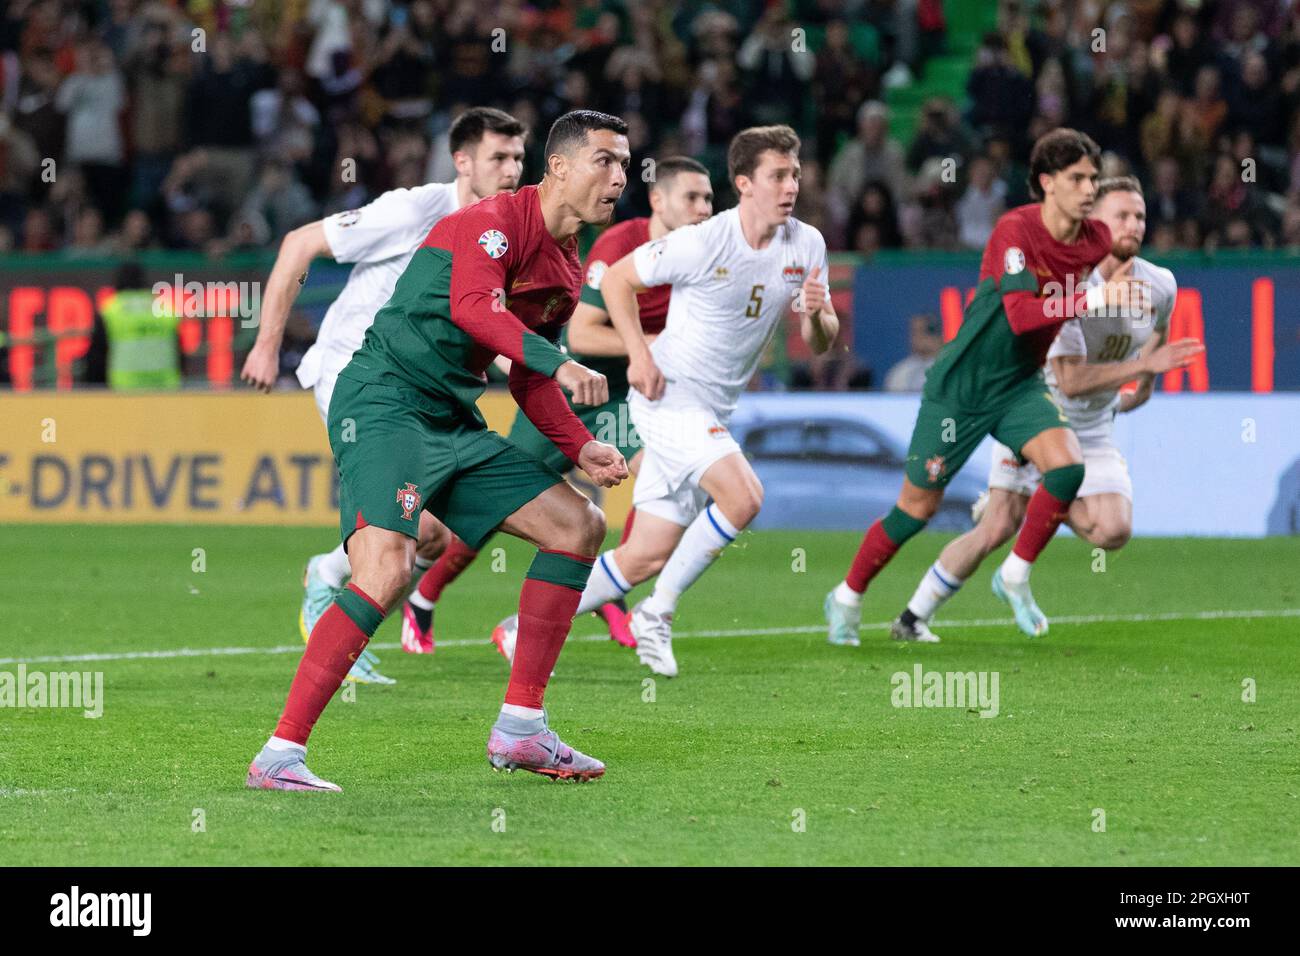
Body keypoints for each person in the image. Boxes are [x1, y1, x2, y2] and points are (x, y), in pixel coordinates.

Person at [246, 110, 632, 791]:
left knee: (579, 524)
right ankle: (280, 755)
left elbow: (528, 380)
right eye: (606, 161)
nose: (620, 177)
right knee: (389, 566)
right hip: (383, 402)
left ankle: (521, 729)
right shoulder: (494, 221)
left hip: (452, 418)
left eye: (626, 164)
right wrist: (559, 360)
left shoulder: (567, 271)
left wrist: (581, 443)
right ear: (562, 167)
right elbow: (473, 310)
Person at [501, 125, 837, 678]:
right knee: (745, 496)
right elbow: (618, 284)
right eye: (779, 175)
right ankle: (657, 614)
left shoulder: (808, 244)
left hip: (716, 408)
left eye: (796, 174)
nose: (791, 186)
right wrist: (639, 354)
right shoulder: (705, 240)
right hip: (669, 396)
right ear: (745, 183)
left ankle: (518, 630)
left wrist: (819, 314)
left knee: (644, 555)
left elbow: (823, 344)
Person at [823, 128, 1146, 646]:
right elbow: (1020, 316)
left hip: (1019, 386)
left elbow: (1119, 274)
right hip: (961, 388)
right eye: (1078, 178)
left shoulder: (1095, 241)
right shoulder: (1014, 231)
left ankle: (1014, 575)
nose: (1090, 189)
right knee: (916, 511)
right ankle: (846, 596)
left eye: (1094, 178)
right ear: (1047, 183)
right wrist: (1097, 300)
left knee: (1066, 468)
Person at [239, 107, 527, 683]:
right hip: (357, 376)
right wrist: (267, 345)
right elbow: (298, 244)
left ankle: (327, 575)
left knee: (438, 534)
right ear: (462, 161)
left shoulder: (504, 235)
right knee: (407, 528)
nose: (513, 170)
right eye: (499, 157)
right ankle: (332, 620)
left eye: (519, 157)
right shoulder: (414, 209)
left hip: (422, 387)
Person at [404, 157, 715, 655]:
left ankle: (614, 593)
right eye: (692, 198)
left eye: (709, 201)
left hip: (626, 398)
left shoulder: (699, 258)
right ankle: (425, 594)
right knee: (503, 506)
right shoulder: (619, 246)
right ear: (659, 200)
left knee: (658, 479)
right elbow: (585, 335)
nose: (703, 210)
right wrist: (654, 345)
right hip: (568, 386)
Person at [892, 176, 1201, 641]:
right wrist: (1144, 363)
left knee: (1113, 531)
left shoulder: (1160, 284)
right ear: (1093, 222)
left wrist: (1146, 382)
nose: (1134, 224)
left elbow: (1154, 342)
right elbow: (1072, 383)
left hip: (1094, 427)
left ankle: (1043, 495)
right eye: (1121, 215)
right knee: (996, 528)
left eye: (1139, 215)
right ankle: (911, 618)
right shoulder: (1070, 286)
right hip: (1038, 417)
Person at [883, 313, 943, 392]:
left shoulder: (951, 369)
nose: (919, 337)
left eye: (925, 331)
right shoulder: (900, 372)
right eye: (915, 332)